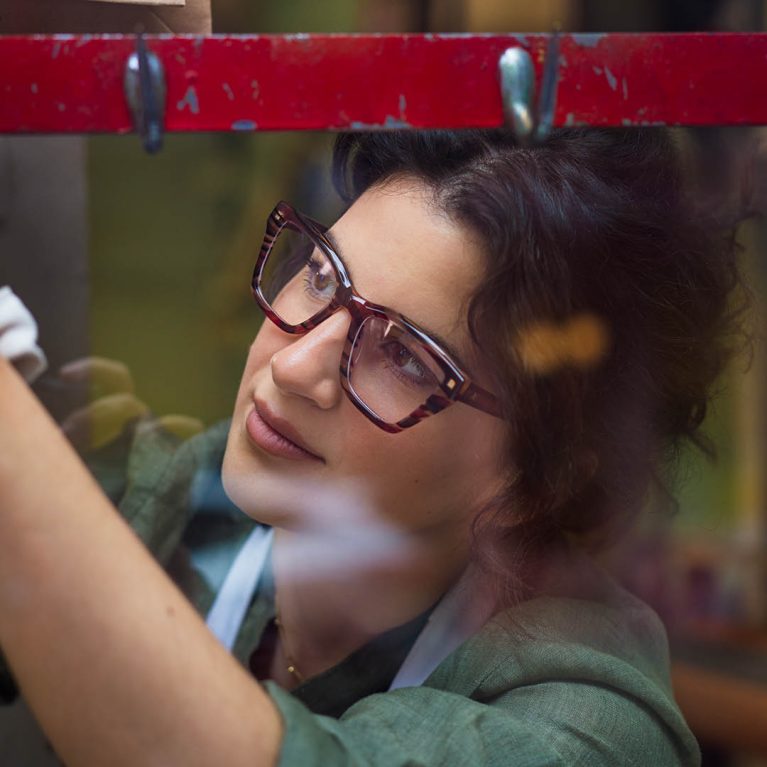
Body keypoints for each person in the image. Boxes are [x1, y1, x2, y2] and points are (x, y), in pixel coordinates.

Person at [0, 127, 742, 766]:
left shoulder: (586, 719)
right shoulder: (172, 494)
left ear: (539, 474)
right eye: (321, 277)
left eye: (404, 356)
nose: (295, 366)